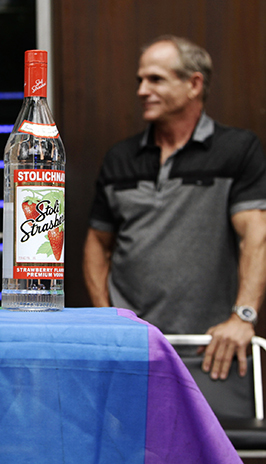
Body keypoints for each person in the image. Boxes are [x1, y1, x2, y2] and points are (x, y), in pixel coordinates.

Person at [83, 35, 266, 381]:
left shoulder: (237, 149)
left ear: (194, 84)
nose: (141, 90)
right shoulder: (119, 158)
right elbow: (97, 242)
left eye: (155, 79)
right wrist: (107, 318)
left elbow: (256, 234)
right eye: (140, 80)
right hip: (130, 350)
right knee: (131, 437)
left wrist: (243, 317)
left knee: (213, 438)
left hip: (210, 348)